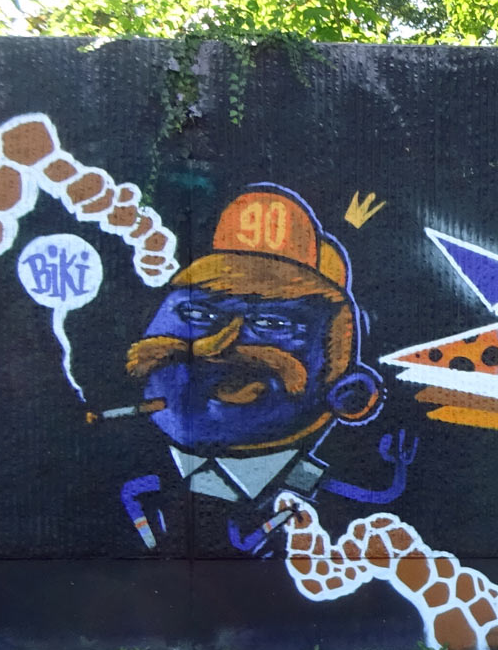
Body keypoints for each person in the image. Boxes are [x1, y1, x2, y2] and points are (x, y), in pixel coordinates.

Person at [115, 185, 411, 554]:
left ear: (345, 388)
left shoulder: (347, 518)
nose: (221, 343)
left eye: (272, 324)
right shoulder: (127, 491)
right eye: (198, 313)